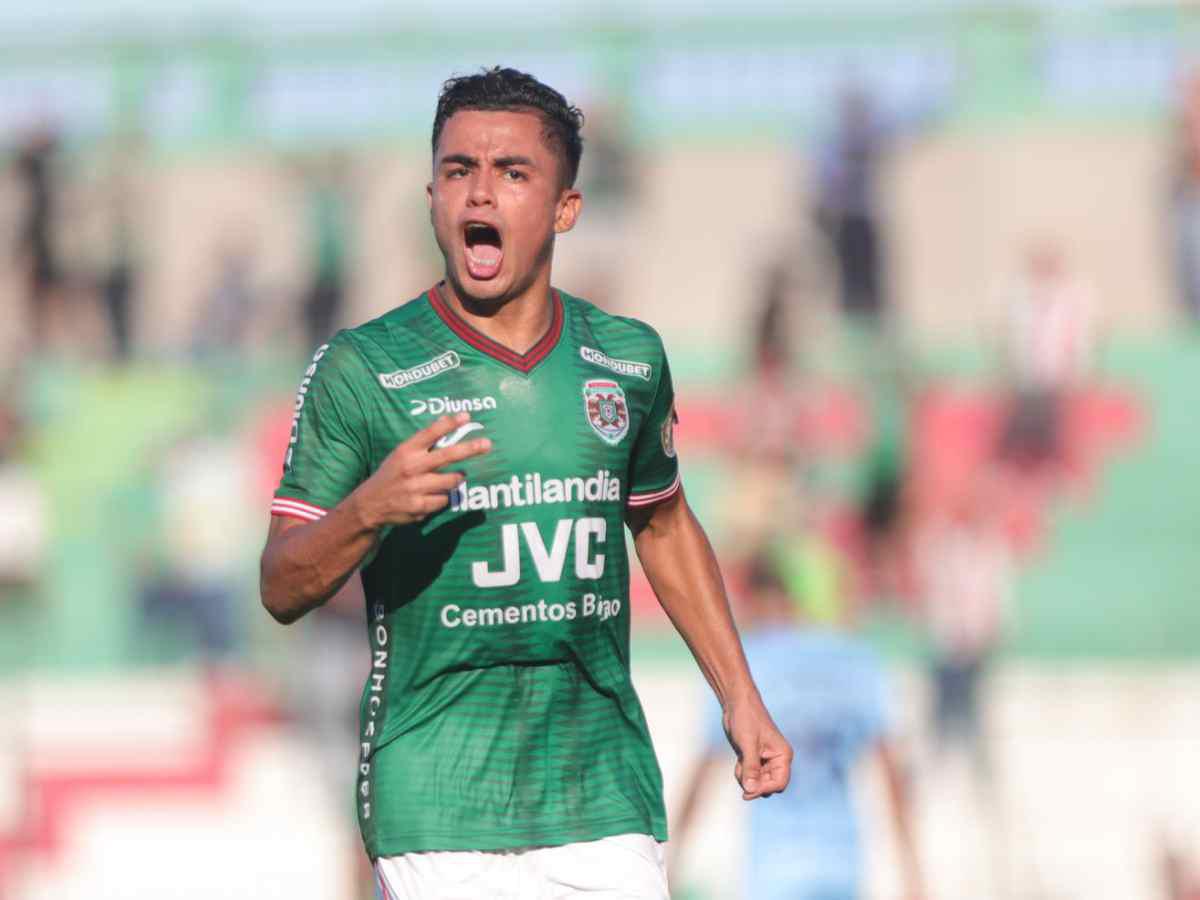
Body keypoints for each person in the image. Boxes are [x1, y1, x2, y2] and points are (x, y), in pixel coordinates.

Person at [259, 66, 792, 899]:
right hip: (437, 804)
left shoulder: (627, 358)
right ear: (431, 196)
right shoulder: (363, 368)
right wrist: (370, 509)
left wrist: (740, 698)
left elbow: (661, 522)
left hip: (602, 791)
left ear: (565, 208)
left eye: (512, 173)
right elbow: (281, 584)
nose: (479, 194)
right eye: (457, 170)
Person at [671, 552, 923, 900]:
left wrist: (673, 859)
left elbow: (704, 770)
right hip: (841, 865)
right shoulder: (854, 662)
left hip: (773, 871)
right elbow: (892, 771)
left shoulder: (743, 669)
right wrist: (913, 873)